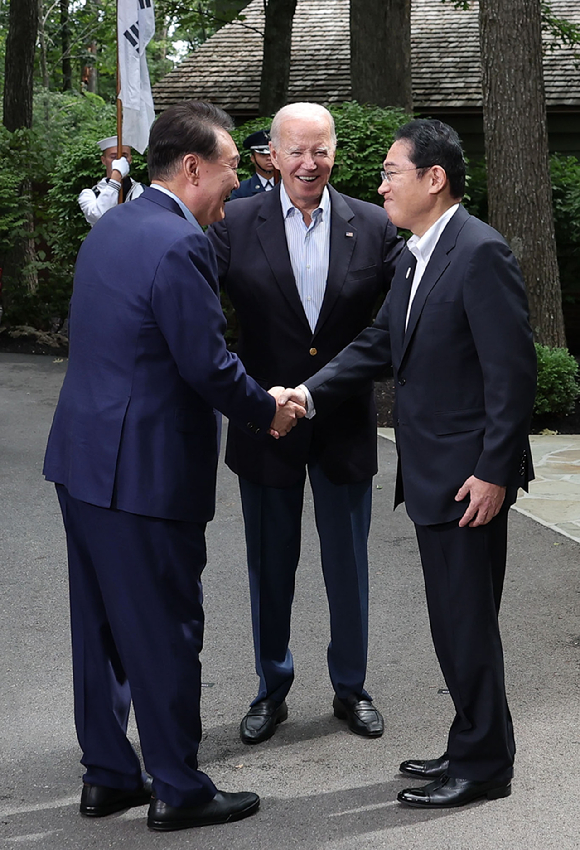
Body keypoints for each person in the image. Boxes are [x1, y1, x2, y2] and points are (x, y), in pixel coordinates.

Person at [43, 100, 304, 833]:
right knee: (163, 629)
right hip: (145, 472)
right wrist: (269, 408)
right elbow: (208, 366)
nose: (240, 183)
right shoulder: (180, 245)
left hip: (82, 458)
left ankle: (108, 775)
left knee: (98, 626)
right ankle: (180, 789)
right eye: (230, 169)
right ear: (193, 168)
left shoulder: (115, 226)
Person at [281, 118, 537, 808]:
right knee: (454, 623)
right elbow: (378, 344)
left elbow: (513, 375)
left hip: (467, 479)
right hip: (434, 474)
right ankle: (472, 743)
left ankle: (485, 766)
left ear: (434, 178)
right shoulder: (419, 253)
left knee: (467, 624)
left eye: (393, 171)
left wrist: (495, 470)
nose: (381, 184)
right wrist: (306, 393)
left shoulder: (480, 253)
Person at [207, 102, 403, 745]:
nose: (308, 163)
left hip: (343, 422)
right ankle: (272, 686)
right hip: (266, 425)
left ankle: (352, 687)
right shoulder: (233, 221)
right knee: (270, 565)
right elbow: (200, 315)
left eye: (320, 149)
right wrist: (252, 395)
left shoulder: (373, 225)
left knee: (348, 564)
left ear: (336, 152)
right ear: (271, 154)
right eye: (295, 150)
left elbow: (394, 320)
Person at [78, 136, 144, 226]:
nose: (119, 161)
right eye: (113, 157)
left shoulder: (143, 191)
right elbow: (101, 218)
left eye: (124, 156)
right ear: (104, 160)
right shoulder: (90, 195)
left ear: (130, 159)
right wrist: (115, 179)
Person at [228, 129, 277, 199]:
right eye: (262, 155)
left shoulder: (288, 186)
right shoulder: (241, 190)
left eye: (272, 154)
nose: (269, 158)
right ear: (253, 158)